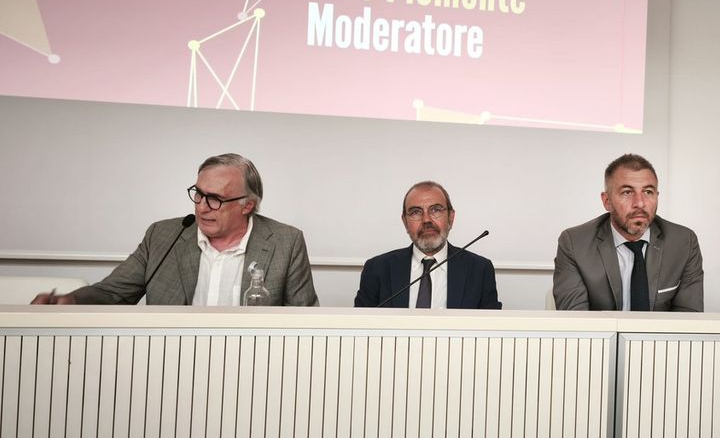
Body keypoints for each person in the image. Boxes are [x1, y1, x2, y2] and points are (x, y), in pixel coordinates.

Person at [31, 153, 319, 306]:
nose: (202, 207)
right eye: (199, 194)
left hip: (254, 364)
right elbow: (114, 293)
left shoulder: (286, 242)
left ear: (247, 205)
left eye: (215, 199)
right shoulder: (163, 236)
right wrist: (70, 300)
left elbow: (305, 320)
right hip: (171, 362)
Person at [553, 154, 703, 311]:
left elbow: (688, 317)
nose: (640, 203)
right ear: (607, 201)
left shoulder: (684, 243)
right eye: (627, 192)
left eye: (648, 192)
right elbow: (576, 319)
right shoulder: (574, 243)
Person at [354, 181, 501, 309]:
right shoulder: (377, 269)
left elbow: (492, 327)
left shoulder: (479, 270)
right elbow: (359, 325)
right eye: (415, 212)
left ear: (451, 218)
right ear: (405, 222)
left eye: (436, 210)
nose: (426, 220)